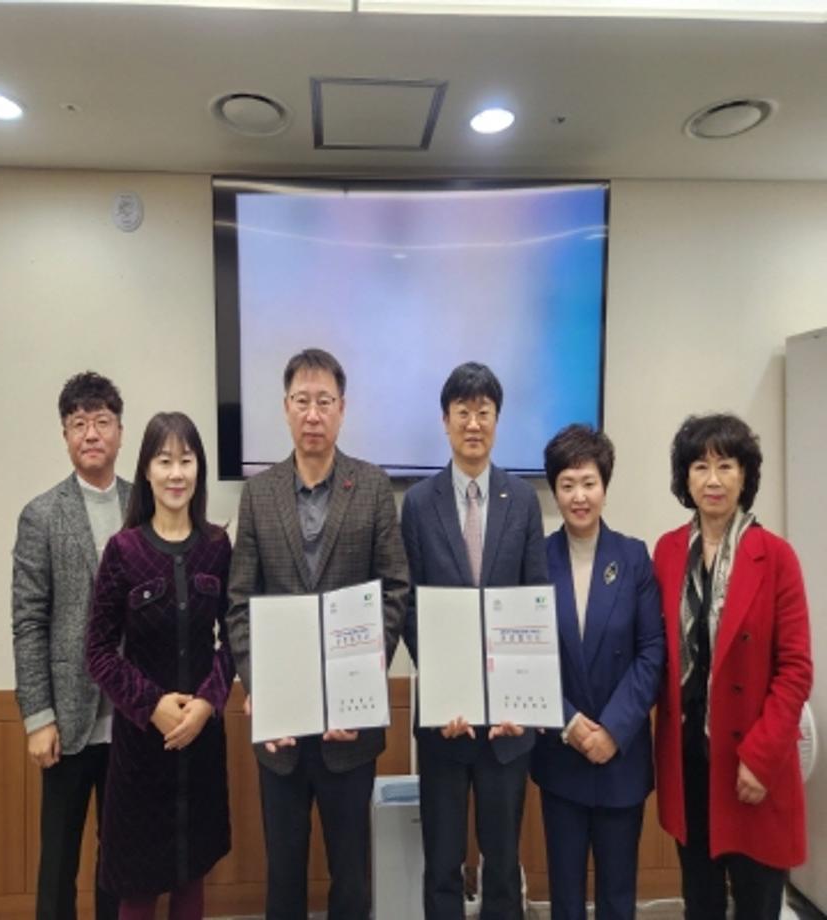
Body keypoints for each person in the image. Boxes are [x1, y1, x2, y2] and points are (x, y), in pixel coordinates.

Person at [226, 347, 409, 920]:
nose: (312, 414)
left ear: (342, 409)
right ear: (285, 407)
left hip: (349, 728)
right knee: (284, 875)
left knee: (351, 875)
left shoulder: (372, 487)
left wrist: (361, 683)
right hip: (281, 730)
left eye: (324, 401)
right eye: (301, 401)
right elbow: (239, 603)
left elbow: (395, 590)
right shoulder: (259, 493)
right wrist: (260, 685)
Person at [401, 361, 548, 920]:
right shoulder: (419, 503)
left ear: (497, 420)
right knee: (441, 862)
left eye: (483, 412)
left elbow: (534, 599)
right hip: (445, 720)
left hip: (507, 725)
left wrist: (518, 699)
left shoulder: (522, 499)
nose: (473, 423)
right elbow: (409, 605)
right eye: (462, 412)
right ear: (445, 420)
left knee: (503, 863)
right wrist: (445, 688)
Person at [654, 413, 813, 920]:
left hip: (751, 764)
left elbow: (796, 669)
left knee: (757, 903)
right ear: (686, 479)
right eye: (700, 466)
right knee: (699, 902)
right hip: (690, 762)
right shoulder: (668, 552)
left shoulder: (776, 556)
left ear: (745, 476)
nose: (713, 479)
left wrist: (761, 759)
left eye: (726, 465)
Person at [85, 412, 234, 920]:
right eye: (164, 461)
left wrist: (208, 703)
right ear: (146, 471)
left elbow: (234, 638)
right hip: (140, 748)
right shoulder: (123, 551)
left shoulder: (216, 547)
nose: (176, 473)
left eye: (186, 461)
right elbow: (98, 650)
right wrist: (152, 706)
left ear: (199, 470)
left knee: (191, 876)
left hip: (201, 741)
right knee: (138, 885)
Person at [530, 424, 664, 920]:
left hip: (620, 756)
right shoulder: (536, 559)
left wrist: (613, 729)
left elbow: (652, 650)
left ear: (605, 485)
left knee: (617, 897)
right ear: (554, 490)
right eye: (567, 485)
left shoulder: (633, 557)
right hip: (561, 750)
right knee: (565, 898)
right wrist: (569, 723)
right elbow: (527, 656)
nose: (579, 496)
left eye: (588, 482)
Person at [12, 371, 127, 920]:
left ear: (120, 431)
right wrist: (38, 716)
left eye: (101, 421)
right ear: (65, 436)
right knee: (58, 859)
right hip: (67, 718)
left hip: (132, 717)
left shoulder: (146, 504)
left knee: (120, 858)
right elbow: (28, 621)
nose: (91, 433)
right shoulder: (41, 514)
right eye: (78, 424)